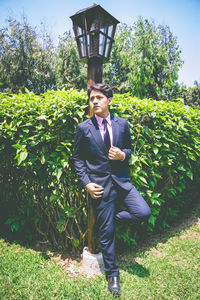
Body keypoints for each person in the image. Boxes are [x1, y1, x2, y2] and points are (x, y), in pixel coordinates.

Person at [73, 83, 151, 297]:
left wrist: (123, 155)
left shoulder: (122, 124)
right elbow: (77, 159)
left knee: (143, 212)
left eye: (99, 97)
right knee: (106, 235)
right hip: (100, 187)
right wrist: (87, 183)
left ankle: (110, 220)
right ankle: (113, 275)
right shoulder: (84, 128)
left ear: (110, 100)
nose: (94, 101)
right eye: (91, 98)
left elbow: (129, 149)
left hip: (122, 182)